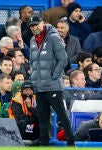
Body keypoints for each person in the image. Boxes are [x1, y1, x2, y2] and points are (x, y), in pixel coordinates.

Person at [29, 13, 75, 146]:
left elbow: (63, 59)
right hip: (39, 86)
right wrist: (33, 77)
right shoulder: (32, 40)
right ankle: (44, 143)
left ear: (42, 23)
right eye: (31, 26)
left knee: (61, 114)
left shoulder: (54, 38)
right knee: (43, 117)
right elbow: (32, 62)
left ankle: (71, 143)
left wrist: (54, 76)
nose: (34, 28)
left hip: (53, 85)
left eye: (36, 24)